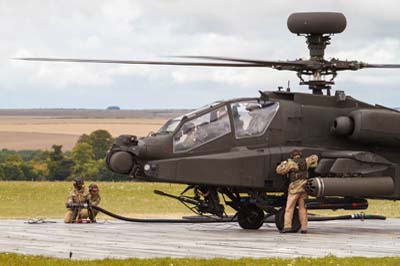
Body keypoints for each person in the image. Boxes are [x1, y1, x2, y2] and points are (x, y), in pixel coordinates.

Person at [276, 150, 318, 233]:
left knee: (289, 208)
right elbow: (315, 157)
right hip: (304, 188)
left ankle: (287, 226)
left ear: (292, 156)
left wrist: (283, 163)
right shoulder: (306, 161)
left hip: (294, 188)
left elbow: (279, 170)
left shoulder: (290, 163)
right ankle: (304, 228)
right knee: (303, 209)